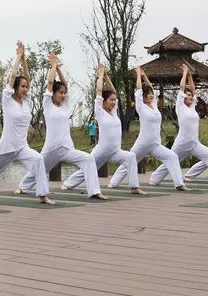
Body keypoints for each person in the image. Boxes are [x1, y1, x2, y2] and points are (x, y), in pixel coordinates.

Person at [0, 42, 54, 204]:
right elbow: (13, 78)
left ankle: (43, 195)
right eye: (22, 87)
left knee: (38, 160)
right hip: (6, 146)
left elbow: (28, 78)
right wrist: (17, 58)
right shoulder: (7, 100)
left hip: (22, 147)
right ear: (15, 87)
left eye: (26, 87)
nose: (25, 89)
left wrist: (24, 60)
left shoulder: (26, 101)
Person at [17, 54, 107, 200]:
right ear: (53, 93)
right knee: (40, 168)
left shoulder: (65, 105)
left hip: (66, 148)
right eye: (60, 93)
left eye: (65, 93)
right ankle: (23, 186)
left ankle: (95, 192)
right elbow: (50, 82)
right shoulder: (47, 104)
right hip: (51, 148)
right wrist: (53, 66)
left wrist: (58, 67)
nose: (63, 95)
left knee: (89, 159)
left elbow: (65, 83)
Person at [62, 65, 144, 194]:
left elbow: (113, 91)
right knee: (88, 168)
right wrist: (100, 76)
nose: (114, 102)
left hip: (115, 151)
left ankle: (134, 187)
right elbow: (99, 91)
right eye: (111, 100)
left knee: (130, 157)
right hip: (102, 151)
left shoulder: (114, 112)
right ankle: (68, 184)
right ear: (104, 101)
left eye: (114, 100)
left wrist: (106, 76)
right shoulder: (100, 111)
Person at [148, 64, 208, 189]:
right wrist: (185, 74)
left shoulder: (192, 107)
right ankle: (155, 178)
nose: (191, 97)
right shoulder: (180, 106)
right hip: (182, 142)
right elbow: (182, 88)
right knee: (172, 160)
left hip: (194, 143)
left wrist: (190, 76)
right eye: (188, 96)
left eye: (191, 96)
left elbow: (193, 89)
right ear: (183, 97)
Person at [108, 67, 184, 191]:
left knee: (172, 157)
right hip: (143, 143)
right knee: (130, 160)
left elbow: (151, 88)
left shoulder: (154, 106)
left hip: (155, 144)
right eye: (148, 94)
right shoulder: (141, 107)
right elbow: (138, 90)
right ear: (143, 96)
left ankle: (179, 184)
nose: (151, 95)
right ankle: (113, 182)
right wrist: (138, 75)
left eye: (151, 94)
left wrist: (144, 76)